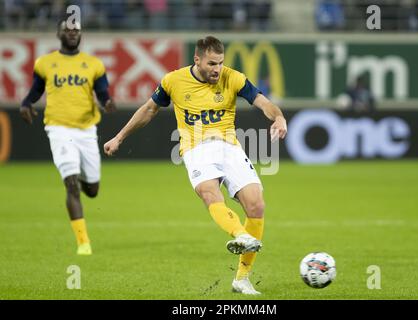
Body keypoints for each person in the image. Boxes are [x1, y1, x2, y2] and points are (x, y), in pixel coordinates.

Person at [103, 36, 287, 295]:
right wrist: (119, 137)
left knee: (256, 204)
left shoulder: (232, 78)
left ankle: (241, 279)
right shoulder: (173, 81)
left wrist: (278, 117)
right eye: (212, 63)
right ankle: (239, 233)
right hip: (195, 147)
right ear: (197, 59)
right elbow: (148, 110)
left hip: (229, 146)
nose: (217, 69)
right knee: (209, 192)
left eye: (221, 63)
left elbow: (263, 102)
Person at [20, 19, 116, 255]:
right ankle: (83, 242)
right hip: (59, 129)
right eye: (68, 30)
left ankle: (81, 176)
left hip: (86, 130)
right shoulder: (46, 63)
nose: (72, 33)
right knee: (71, 184)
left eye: (76, 30)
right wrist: (26, 103)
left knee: (92, 190)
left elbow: (103, 92)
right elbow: (35, 91)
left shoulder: (93, 64)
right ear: (58, 33)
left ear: (81, 35)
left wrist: (107, 103)